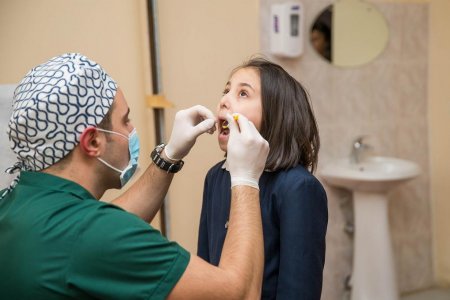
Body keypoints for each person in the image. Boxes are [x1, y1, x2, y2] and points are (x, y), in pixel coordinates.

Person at [0, 53, 270, 299]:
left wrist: (168, 158)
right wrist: (245, 178)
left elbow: (98, 226)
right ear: (92, 142)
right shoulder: (94, 236)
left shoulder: (15, 204)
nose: (132, 128)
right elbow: (241, 292)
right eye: (125, 120)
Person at [198, 57, 328, 299]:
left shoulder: (298, 188)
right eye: (226, 91)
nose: (224, 100)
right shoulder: (215, 177)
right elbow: (206, 270)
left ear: (275, 115)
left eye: (243, 94)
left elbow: (299, 292)